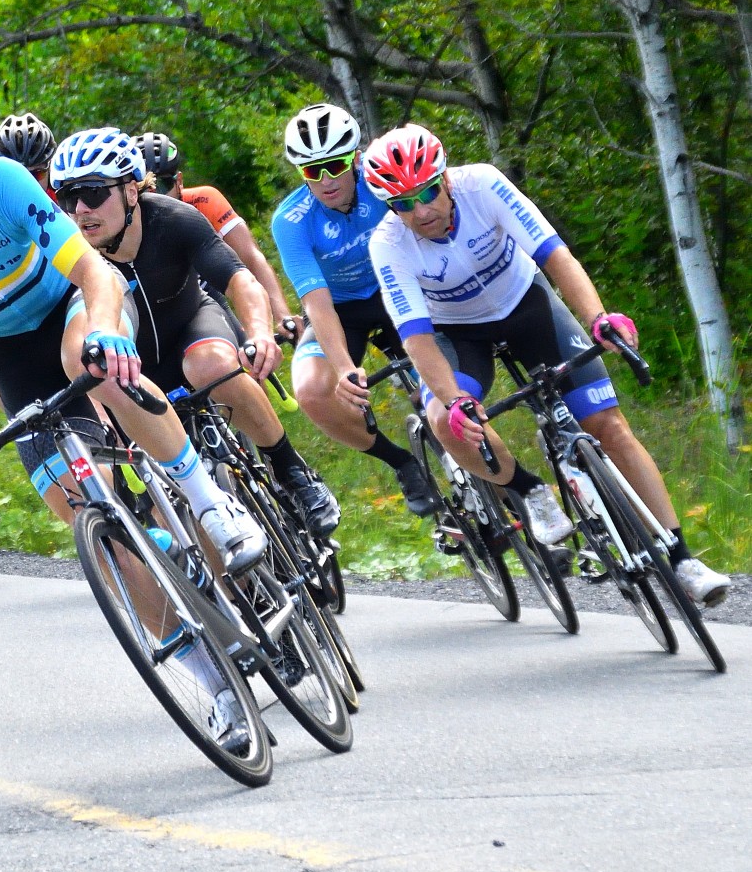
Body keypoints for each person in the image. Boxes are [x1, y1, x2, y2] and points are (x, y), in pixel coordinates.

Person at [0, 110, 265, 569]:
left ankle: (212, 504)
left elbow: (93, 271)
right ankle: (169, 600)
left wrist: (105, 330)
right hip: (10, 354)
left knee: (86, 358)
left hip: (71, 301)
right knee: (95, 529)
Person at [363, 124, 731, 607]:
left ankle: (682, 559)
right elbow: (416, 337)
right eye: (403, 203)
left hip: (527, 305)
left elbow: (555, 257)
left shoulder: (483, 184)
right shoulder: (388, 244)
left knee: (609, 425)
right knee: (444, 420)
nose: (421, 211)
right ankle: (530, 491)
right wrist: (453, 401)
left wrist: (598, 319)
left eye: (428, 193)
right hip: (457, 333)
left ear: (446, 178)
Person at [53, 128, 339, 536]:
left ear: (131, 191)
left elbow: (239, 280)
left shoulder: (173, 219)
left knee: (210, 365)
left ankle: (290, 469)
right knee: (173, 507)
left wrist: (259, 333)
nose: (81, 209)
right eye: (69, 198)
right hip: (135, 367)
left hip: (192, 328)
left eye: (94, 193)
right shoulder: (68, 253)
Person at [269, 103, 440, 517]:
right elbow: (316, 302)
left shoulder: (381, 187)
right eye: (313, 171)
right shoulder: (291, 220)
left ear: (356, 159)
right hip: (342, 310)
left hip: (399, 290)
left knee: (443, 386)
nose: (326, 180)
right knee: (311, 391)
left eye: (334, 166)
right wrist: (345, 368)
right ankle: (402, 462)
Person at [133, 131, 299, 338]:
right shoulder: (118, 221)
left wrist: (282, 315)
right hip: (151, 313)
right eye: (145, 189)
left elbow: (250, 257)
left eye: (163, 186)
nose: (156, 197)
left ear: (179, 182)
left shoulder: (204, 200)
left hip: (202, 299)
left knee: (243, 347)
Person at [0, 112, 58, 195]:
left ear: (50, 170)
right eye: (14, 177)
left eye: (36, 174)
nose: (27, 186)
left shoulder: (63, 198)